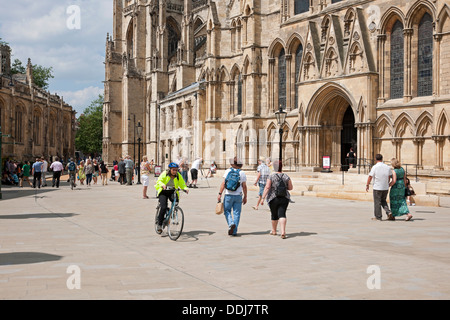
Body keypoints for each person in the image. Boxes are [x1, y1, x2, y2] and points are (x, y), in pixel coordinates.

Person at [154, 162, 189, 233]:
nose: (175, 171)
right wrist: (163, 185)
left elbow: (182, 183)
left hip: (172, 191)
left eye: (176, 170)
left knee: (175, 202)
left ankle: (172, 212)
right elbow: (159, 181)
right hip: (163, 191)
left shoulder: (178, 175)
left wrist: (185, 188)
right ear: (170, 169)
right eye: (173, 170)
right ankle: (160, 224)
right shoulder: (165, 173)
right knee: (163, 207)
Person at [262, 160, 293, 239]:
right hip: (284, 197)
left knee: (274, 214)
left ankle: (274, 231)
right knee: (282, 214)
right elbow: (290, 188)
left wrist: (262, 198)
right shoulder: (286, 176)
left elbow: (267, 187)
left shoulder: (271, 176)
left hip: (273, 197)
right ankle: (283, 231)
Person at [217, 157, 247, 236]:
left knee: (227, 211)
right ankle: (234, 231)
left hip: (228, 195)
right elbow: (244, 186)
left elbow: (223, 183)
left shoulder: (228, 171)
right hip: (238, 196)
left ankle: (231, 223)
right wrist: (245, 196)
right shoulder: (242, 173)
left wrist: (220, 194)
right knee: (237, 213)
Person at [366, 154, 394, 221]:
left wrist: (367, 184)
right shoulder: (387, 167)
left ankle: (378, 216)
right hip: (385, 187)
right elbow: (390, 176)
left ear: (375, 159)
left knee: (377, 202)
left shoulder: (375, 167)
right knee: (383, 201)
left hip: (377, 187)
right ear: (382, 159)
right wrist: (387, 182)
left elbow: (370, 176)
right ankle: (389, 212)